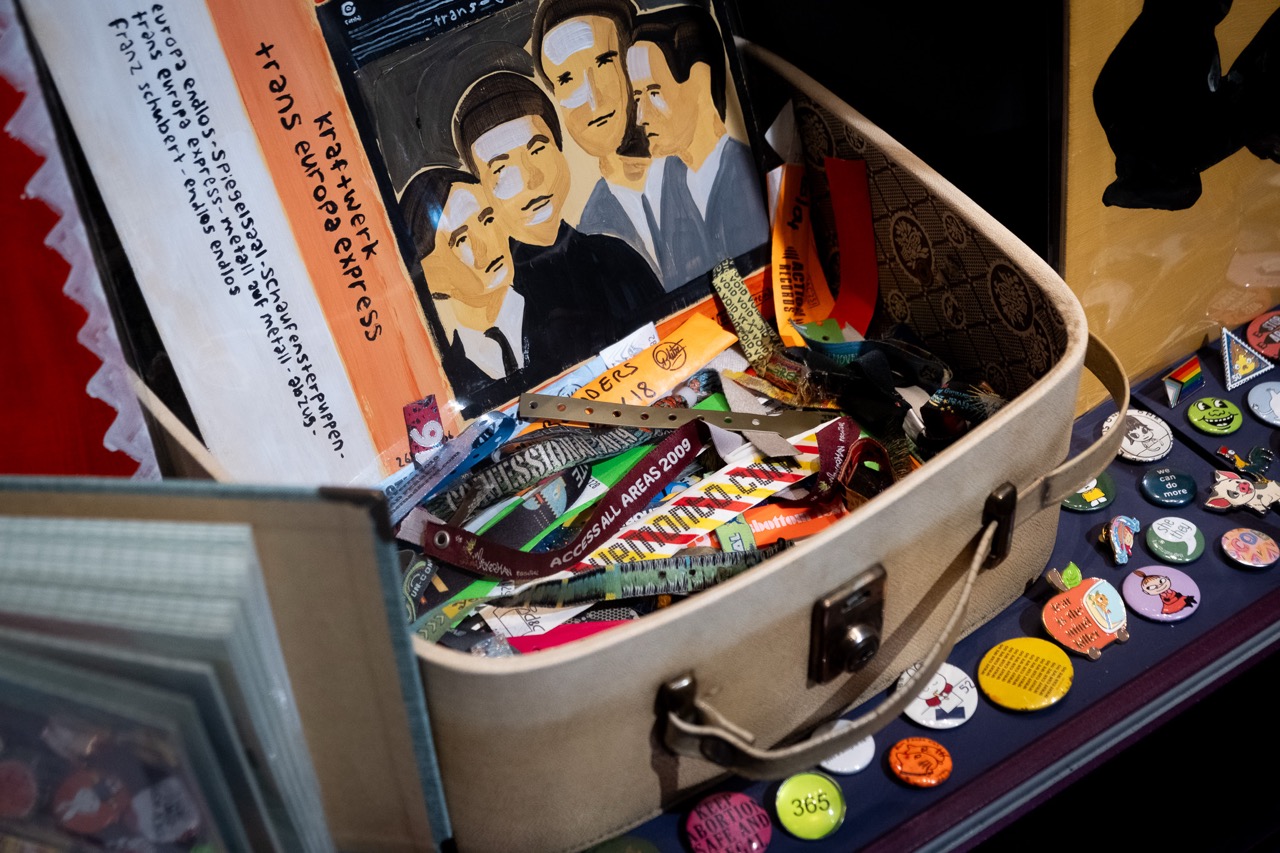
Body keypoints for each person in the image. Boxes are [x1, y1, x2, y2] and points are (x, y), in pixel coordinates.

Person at [453, 70, 663, 382]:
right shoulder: (502, 303)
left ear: (560, 150)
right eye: (501, 168)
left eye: (537, 149)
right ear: (482, 191)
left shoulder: (617, 257)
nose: (530, 178)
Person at [530, 0, 711, 291]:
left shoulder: (701, 171)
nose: (593, 98)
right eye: (566, 79)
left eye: (603, 62)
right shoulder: (588, 228)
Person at [627, 5, 768, 265]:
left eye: (653, 92)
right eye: (637, 98)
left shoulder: (748, 171)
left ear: (700, 81)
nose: (641, 117)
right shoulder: (665, 187)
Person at [400, 167, 526, 410]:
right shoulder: (449, 378)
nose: (487, 244)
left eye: (488, 220)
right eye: (462, 239)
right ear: (434, 277)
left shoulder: (565, 294)